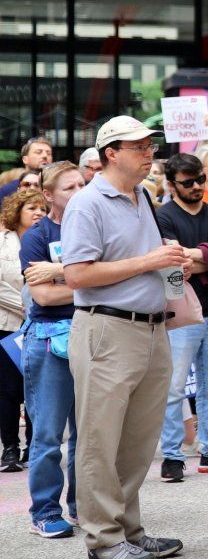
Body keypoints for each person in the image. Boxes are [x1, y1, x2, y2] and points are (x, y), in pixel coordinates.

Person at [59, 116, 194, 559]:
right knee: (100, 438)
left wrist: (169, 267)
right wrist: (149, 261)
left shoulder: (143, 196)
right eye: (138, 146)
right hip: (107, 329)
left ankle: (129, 531)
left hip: (151, 327)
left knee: (137, 440)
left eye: (150, 145)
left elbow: (139, 263)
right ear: (110, 153)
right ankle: (102, 539)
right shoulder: (87, 203)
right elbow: (77, 275)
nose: (149, 152)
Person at [153, 153, 208, 482]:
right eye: (188, 182)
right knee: (173, 388)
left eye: (200, 179)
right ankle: (172, 455)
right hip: (180, 313)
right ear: (172, 185)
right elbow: (174, 263)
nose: (198, 186)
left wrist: (199, 257)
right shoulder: (164, 218)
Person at [19, 164, 83, 536]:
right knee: (47, 434)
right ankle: (44, 511)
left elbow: (115, 277)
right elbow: (43, 296)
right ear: (48, 195)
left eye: (82, 184)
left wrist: (60, 272)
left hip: (91, 336)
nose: (79, 191)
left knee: (86, 434)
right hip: (48, 340)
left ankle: (79, 505)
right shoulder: (37, 236)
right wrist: (95, 281)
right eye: (69, 187)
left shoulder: (92, 227)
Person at [0, 187, 47, 471]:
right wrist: (25, 304)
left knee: (36, 388)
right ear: (17, 213)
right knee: (7, 390)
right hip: (7, 324)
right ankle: (9, 448)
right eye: (32, 208)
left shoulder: (46, 239)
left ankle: (34, 445)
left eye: (42, 208)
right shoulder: (2, 241)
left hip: (39, 322)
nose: (39, 213)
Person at [0, 136, 54, 202]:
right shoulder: (7, 191)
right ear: (25, 159)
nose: (45, 156)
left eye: (49, 153)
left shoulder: (56, 189)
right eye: (38, 152)